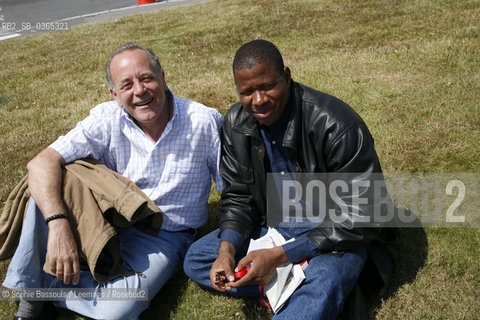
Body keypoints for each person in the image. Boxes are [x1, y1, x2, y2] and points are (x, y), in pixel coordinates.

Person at [2, 42, 224, 319]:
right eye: (127, 85)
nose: (140, 91)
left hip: (165, 236)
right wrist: (59, 226)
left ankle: (50, 288)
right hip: (109, 218)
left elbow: (232, 190)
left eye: (146, 78)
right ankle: (31, 297)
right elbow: (40, 163)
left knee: (119, 309)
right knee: (49, 181)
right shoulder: (106, 118)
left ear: (163, 78)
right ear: (115, 95)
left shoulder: (204, 121)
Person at [183, 39, 396, 319]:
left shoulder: (336, 125)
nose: (258, 100)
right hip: (274, 228)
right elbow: (239, 198)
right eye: (247, 92)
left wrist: (283, 255)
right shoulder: (236, 123)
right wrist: (227, 250)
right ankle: (296, 284)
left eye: (267, 86)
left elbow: (365, 215)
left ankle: (308, 284)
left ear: (286, 75)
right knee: (198, 259)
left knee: (325, 281)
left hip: (333, 237)